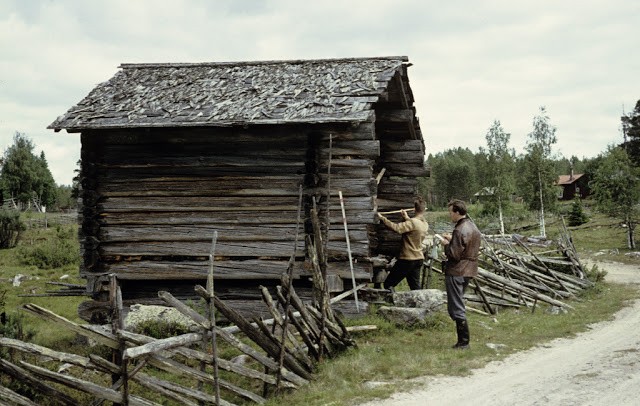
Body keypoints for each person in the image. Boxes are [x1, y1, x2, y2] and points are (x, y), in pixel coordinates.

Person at [441, 199, 481, 349]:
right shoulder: (472, 226)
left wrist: (446, 245)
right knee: (458, 303)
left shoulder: (459, 229)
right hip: (470, 269)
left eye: (451, 212)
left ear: (457, 212)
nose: (450, 215)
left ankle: (464, 342)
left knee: (456, 305)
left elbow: (454, 254)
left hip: (457, 270)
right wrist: (453, 241)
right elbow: (468, 245)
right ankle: (463, 341)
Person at [377, 198, 429, 291]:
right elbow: (414, 225)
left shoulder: (412, 222)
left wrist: (382, 218)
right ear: (424, 209)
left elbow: (397, 228)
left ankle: (392, 301)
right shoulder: (424, 223)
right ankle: (420, 304)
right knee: (415, 287)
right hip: (418, 258)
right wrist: (406, 217)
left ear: (414, 209)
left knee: (388, 284)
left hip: (407, 259)